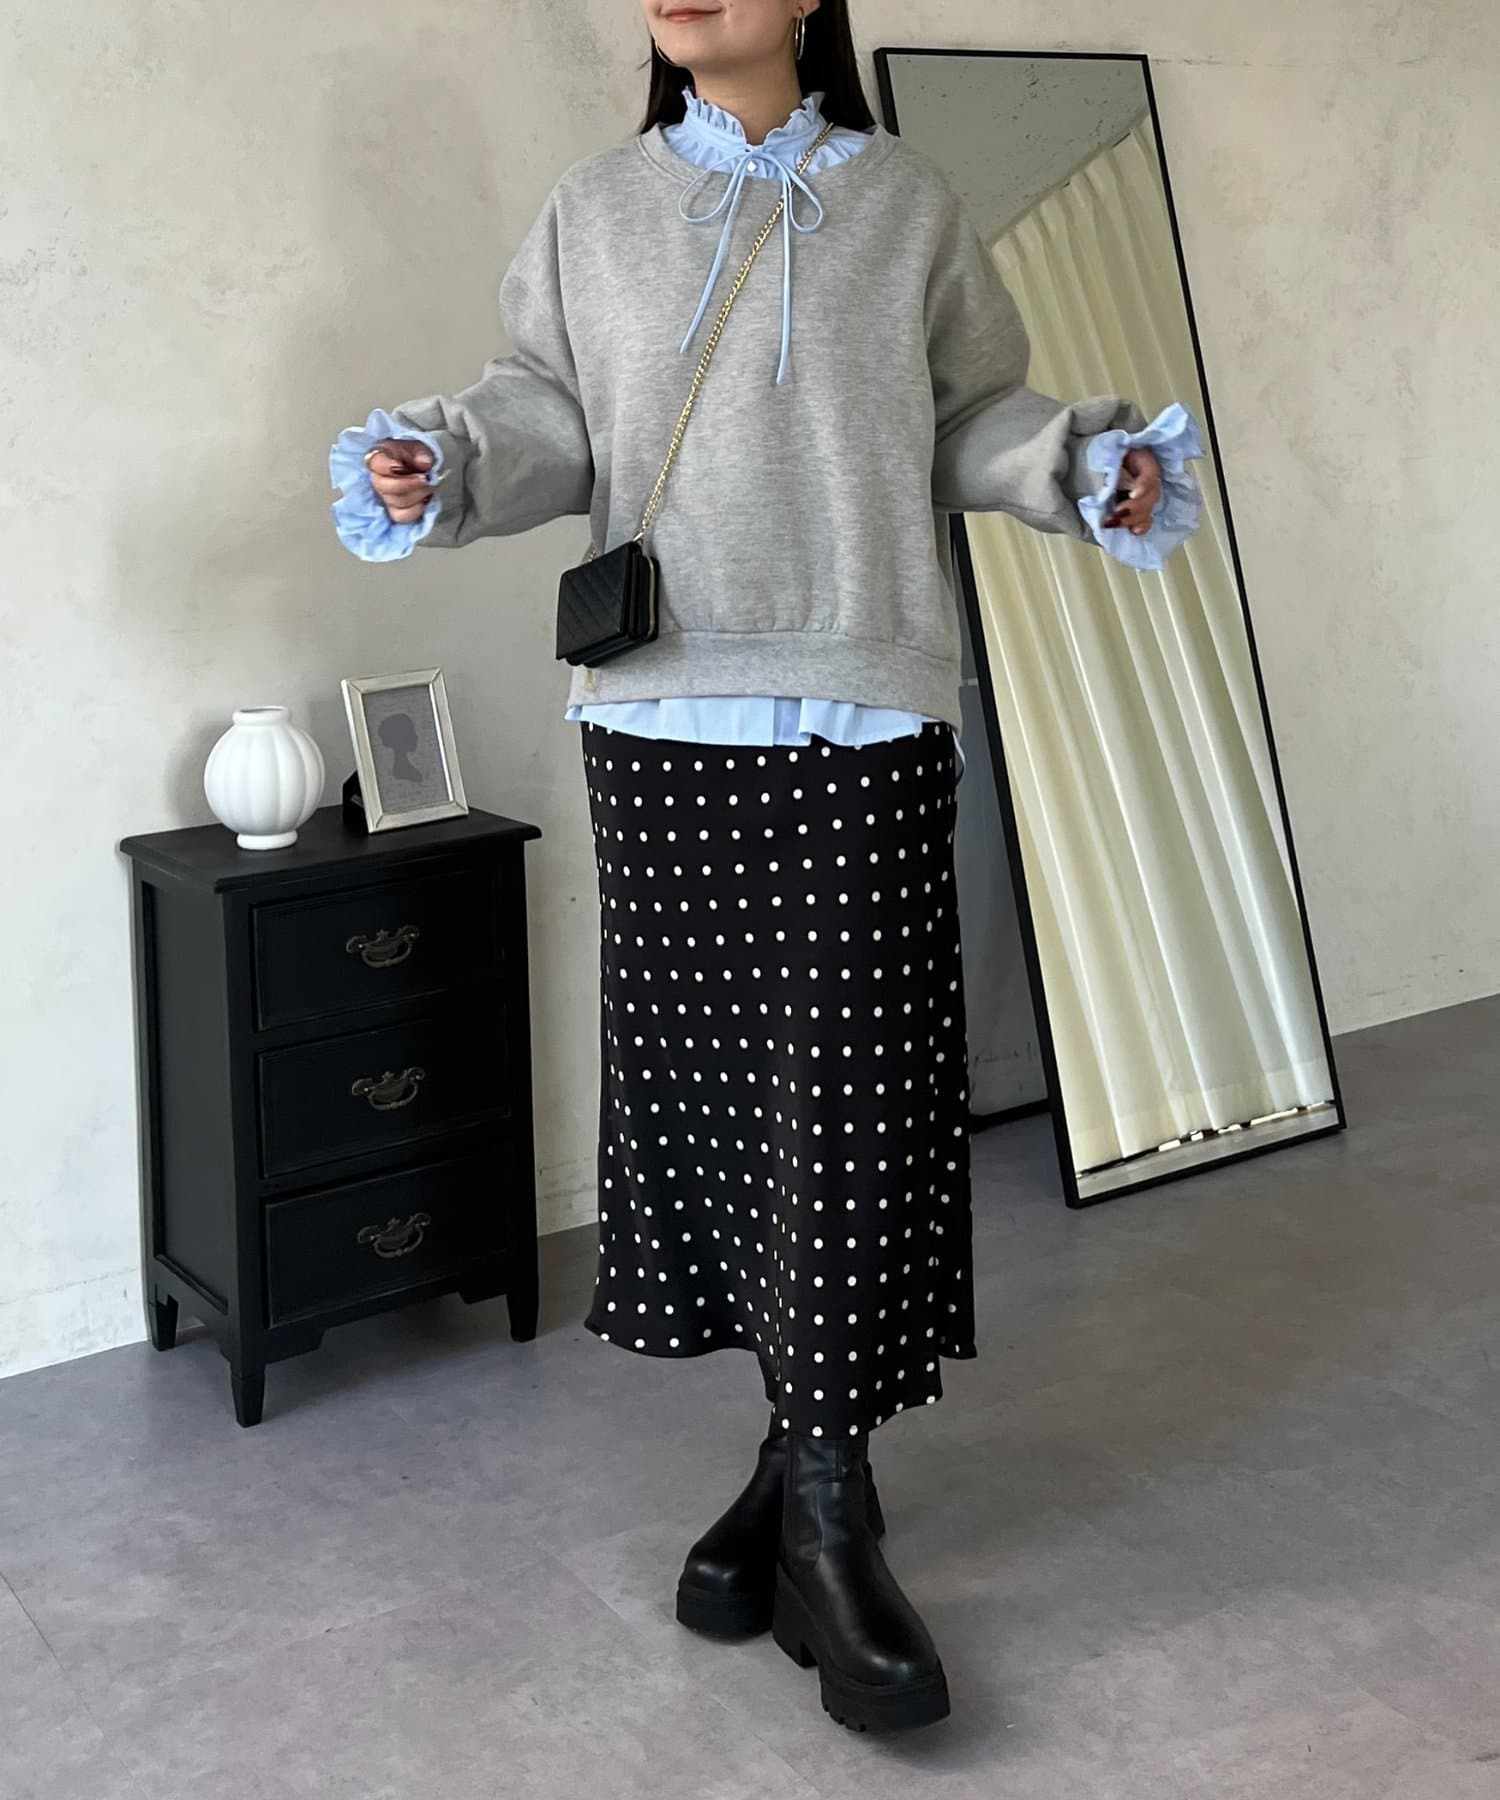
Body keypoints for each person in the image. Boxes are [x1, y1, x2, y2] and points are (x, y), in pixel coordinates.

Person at [328, 0, 1203, 1734]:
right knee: (719, 1114)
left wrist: (1072, 465)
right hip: (661, 719)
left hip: (865, 702)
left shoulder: (906, 201)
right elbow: (549, 413)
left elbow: (967, 414)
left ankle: (815, 1507)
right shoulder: (593, 210)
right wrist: (452, 463)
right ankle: (811, 1492)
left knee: (859, 1113)